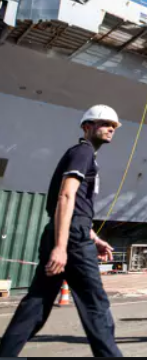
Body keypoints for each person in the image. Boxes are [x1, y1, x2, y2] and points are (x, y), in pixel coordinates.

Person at [0, 105, 123, 358]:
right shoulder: (83, 151)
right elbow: (66, 196)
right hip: (70, 238)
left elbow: (76, 206)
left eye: (114, 125)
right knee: (95, 304)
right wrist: (61, 246)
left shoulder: (84, 154)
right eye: (104, 123)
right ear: (87, 127)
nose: (111, 128)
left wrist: (94, 237)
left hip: (69, 232)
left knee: (36, 303)